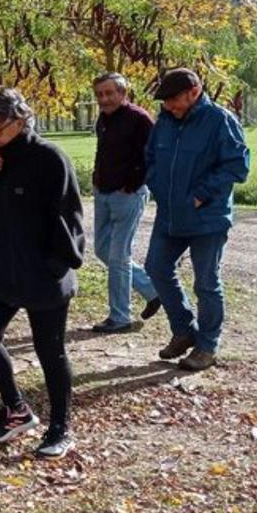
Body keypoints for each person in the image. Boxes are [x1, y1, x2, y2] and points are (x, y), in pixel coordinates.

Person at [0, 88, 85, 460]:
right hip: (0, 271)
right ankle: (16, 409)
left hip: (44, 275)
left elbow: (70, 219)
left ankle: (61, 426)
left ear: (20, 120)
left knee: (51, 352)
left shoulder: (49, 159)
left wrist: (55, 266)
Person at [144, 69, 250, 371]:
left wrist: (201, 194)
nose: (168, 106)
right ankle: (183, 330)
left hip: (208, 217)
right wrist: (156, 186)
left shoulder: (221, 120)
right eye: (164, 101)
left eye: (173, 99)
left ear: (195, 91)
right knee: (156, 267)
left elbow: (237, 166)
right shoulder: (164, 121)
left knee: (206, 282)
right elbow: (150, 157)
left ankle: (206, 346)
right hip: (170, 214)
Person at [89, 72, 160, 333]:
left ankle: (120, 317)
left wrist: (132, 184)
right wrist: (97, 179)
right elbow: (103, 152)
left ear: (123, 93)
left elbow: (151, 156)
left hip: (127, 195)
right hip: (103, 192)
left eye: (109, 93)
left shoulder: (139, 119)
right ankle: (152, 290)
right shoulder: (104, 119)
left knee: (119, 255)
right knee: (101, 249)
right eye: (99, 94)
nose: (104, 99)